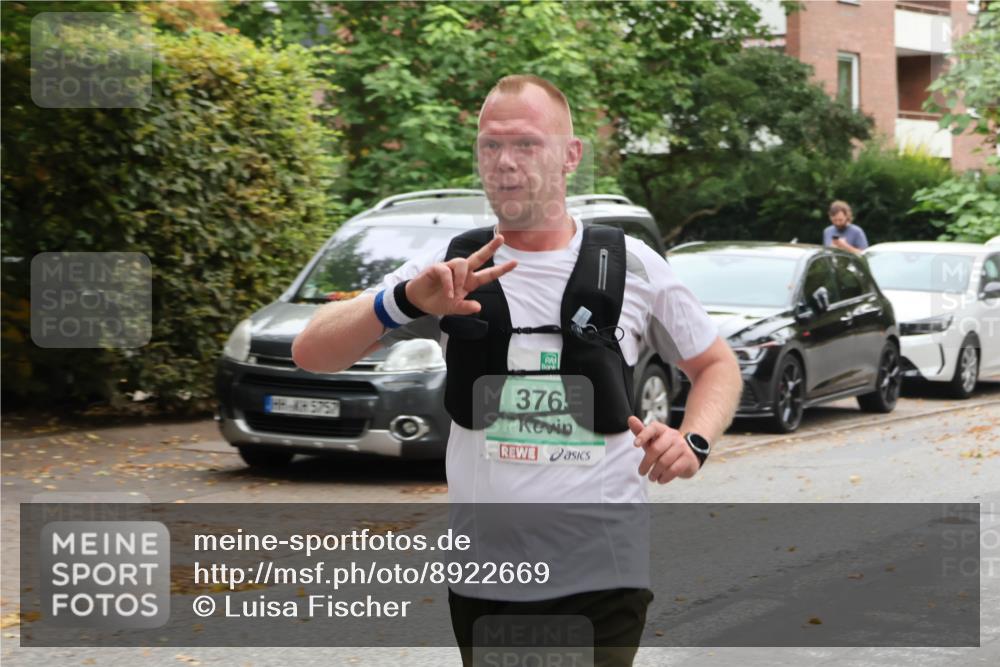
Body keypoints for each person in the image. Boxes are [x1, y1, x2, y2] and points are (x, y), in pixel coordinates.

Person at [292, 75, 742, 666]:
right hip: (484, 582)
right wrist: (402, 300)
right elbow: (311, 352)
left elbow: (716, 365)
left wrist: (694, 440)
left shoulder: (632, 265)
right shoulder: (446, 266)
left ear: (570, 155)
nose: (505, 163)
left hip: (599, 575)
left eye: (526, 144)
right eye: (490, 145)